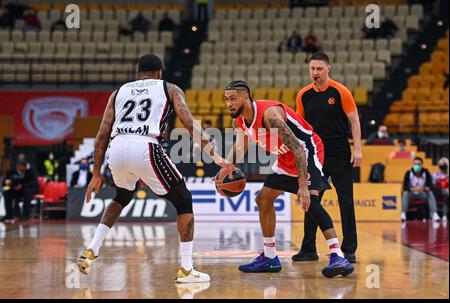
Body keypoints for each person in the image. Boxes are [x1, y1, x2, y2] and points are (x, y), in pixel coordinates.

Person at [76, 54, 231, 283]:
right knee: (184, 199)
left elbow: (102, 134)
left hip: (116, 147)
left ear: (137, 74)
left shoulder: (118, 92)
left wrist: (96, 174)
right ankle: (187, 269)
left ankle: (91, 249)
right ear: (160, 73)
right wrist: (216, 156)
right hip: (145, 144)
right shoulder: (169, 88)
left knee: (122, 195)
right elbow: (189, 123)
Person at [217, 80, 354, 278]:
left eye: (233, 99)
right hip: (284, 157)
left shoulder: (270, 115)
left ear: (245, 98)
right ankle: (270, 258)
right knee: (263, 199)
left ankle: (338, 255)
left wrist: (303, 186)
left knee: (310, 202)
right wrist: (226, 171)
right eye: (226, 99)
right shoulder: (239, 119)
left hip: (307, 151)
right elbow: (241, 146)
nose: (228, 103)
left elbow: (298, 148)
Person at [295, 52, 362, 263]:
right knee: (312, 201)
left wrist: (357, 149)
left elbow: (355, 121)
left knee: (346, 201)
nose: (315, 72)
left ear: (328, 69)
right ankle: (308, 249)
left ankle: (349, 249)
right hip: (315, 153)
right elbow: (299, 126)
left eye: (319, 69)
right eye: (312, 68)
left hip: (339, 152)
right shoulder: (303, 94)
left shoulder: (341, 91)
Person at [401, 157, 440, 221]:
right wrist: (415, 189)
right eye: (415, 164)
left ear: (422, 165)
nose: (417, 166)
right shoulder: (408, 173)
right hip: (412, 194)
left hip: (422, 194)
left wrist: (424, 188)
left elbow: (430, 186)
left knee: (430, 193)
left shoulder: (426, 173)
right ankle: (403, 214)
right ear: (413, 165)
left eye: (419, 164)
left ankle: (434, 214)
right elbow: (405, 187)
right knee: (405, 193)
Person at [432, 157, 449, 222]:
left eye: (443, 164)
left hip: (446, 194)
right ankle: (434, 214)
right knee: (438, 190)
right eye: (440, 164)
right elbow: (432, 185)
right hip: (437, 193)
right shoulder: (434, 175)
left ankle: (444, 216)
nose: (442, 166)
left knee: (446, 197)